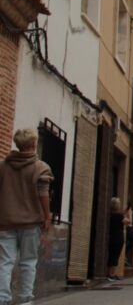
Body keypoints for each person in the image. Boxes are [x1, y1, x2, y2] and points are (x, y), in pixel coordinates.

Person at [0, 128, 53, 305]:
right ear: (33, 144)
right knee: (28, 262)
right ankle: (24, 300)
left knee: (4, 263)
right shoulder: (40, 167)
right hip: (31, 223)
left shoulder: (3, 166)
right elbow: (43, 194)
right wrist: (47, 216)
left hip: (5, 222)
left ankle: (2, 299)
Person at [107, 197, 130, 281]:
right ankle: (111, 274)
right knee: (115, 256)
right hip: (118, 237)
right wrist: (127, 214)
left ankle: (110, 273)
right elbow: (128, 222)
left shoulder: (109, 214)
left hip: (110, 236)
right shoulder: (120, 216)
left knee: (111, 254)